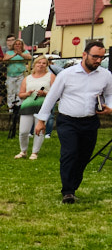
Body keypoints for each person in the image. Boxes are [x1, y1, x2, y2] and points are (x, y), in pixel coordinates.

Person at [35, 41, 112, 203]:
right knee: (69, 153)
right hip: (68, 121)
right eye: (95, 56)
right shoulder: (67, 74)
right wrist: (41, 120)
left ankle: (73, 185)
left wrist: (109, 107)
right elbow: (51, 97)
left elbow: (110, 95)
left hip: (90, 122)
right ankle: (68, 191)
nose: (98, 60)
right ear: (84, 55)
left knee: (84, 156)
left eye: (101, 57)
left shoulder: (106, 75)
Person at [16, 56, 55, 159]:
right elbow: (20, 94)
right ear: (34, 64)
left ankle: (35, 152)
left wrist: (45, 93)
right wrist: (27, 94)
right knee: (23, 131)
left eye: (43, 63)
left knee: (39, 130)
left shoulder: (50, 76)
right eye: (39, 63)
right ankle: (23, 151)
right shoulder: (27, 78)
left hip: (42, 106)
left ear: (46, 65)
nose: (41, 65)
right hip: (28, 105)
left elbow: (55, 92)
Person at [4, 38, 32, 109]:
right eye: (16, 44)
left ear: (22, 45)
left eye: (19, 44)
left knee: (19, 90)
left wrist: (21, 54)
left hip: (21, 74)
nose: (17, 45)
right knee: (10, 90)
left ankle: (19, 105)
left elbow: (29, 57)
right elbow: (4, 59)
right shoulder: (9, 52)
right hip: (10, 74)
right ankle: (11, 106)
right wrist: (14, 55)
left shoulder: (25, 52)